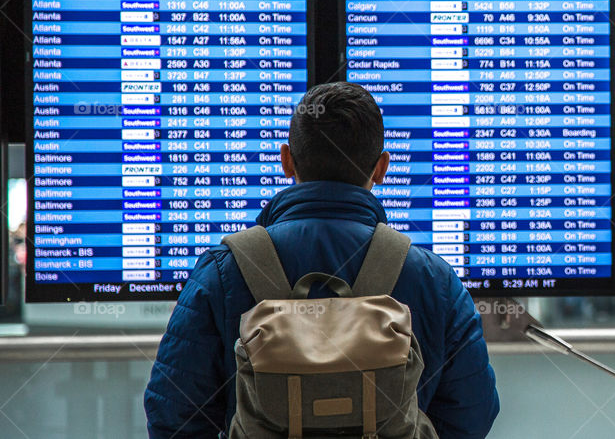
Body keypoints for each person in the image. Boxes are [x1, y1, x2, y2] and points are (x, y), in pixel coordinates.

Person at [144, 82, 499, 438]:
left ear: (286, 160)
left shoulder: (223, 272)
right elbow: (472, 414)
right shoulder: (433, 280)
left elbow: (173, 416)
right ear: (381, 169)